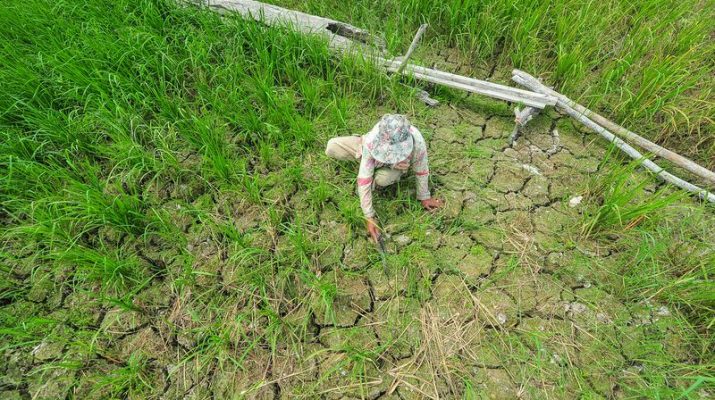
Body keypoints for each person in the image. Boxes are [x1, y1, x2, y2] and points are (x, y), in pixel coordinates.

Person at [325, 114, 443, 242]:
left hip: (395, 167)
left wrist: (424, 196)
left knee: (382, 180)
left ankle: (376, 168)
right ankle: (366, 158)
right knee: (332, 146)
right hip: (368, 151)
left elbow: (421, 170)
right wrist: (369, 216)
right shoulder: (373, 140)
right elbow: (364, 180)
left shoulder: (417, 141)